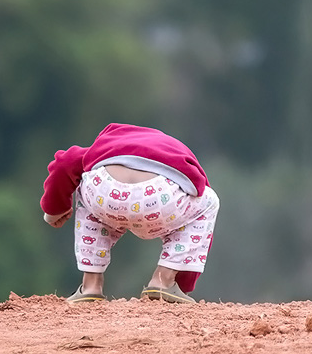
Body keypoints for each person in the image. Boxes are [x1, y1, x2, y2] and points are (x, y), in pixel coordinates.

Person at [40, 123, 219, 304]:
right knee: (209, 202)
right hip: (160, 198)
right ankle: (163, 281)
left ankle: (90, 285)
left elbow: (63, 163)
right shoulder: (176, 151)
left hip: (105, 193)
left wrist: (54, 209)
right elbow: (199, 189)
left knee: (86, 187)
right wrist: (184, 283)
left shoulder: (105, 146)